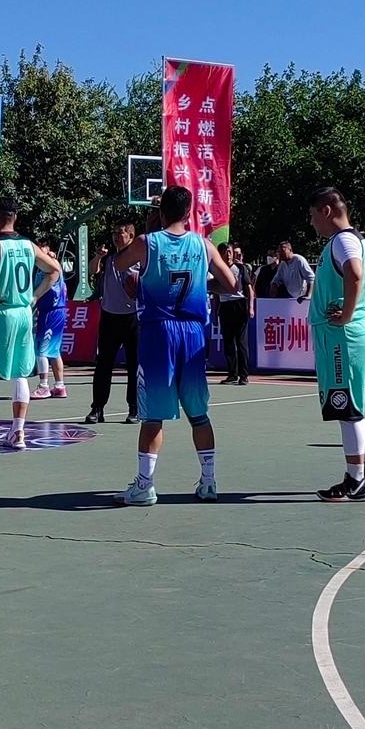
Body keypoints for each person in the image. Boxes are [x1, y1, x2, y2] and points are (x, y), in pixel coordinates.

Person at [109, 184, 236, 504]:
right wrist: (202, 285)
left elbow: (119, 264)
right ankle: (209, 481)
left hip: (159, 332)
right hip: (192, 333)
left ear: (161, 211)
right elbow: (231, 282)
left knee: (153, 415)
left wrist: (150, 227)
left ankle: (145, 485)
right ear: (189, 213)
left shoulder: (147, 242)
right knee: (199, 413)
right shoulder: (203, 244)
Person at [307, 188, 365, 501]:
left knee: (346, 408)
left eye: (313, 215)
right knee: (349, 404)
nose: (312, 222)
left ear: (327, 211)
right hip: (343, 334)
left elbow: (354, 274)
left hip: (342, 337)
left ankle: (355, 479)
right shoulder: (353, 240)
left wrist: (345, 314)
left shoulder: (343, 241)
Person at [0, 196, 61, 449]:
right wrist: (35, 296)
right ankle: (18, 431)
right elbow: (55, 270)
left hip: (2, 313)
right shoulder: (28, 245)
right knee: (21, 373)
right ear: (15, 217)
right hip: (23, 313)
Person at [85, 219, 140, 425]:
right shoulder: (109, 259)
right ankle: (97, 408)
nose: (116, 236)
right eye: (114, 232)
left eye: (121, 233)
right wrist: (98, 256)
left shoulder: (139, 259)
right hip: (110, 316)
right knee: (103, 365)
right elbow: (92, 271)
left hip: (133, 317)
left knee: (134, 365)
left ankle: (134, 408)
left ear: (131, 236)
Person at [213, 242, 253, 385]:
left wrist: (251, 307)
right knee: (228, 342)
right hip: (225, 306)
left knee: (241, 342)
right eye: (224, 252)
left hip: (239, 304)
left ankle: (244, 375)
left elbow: (249, 289)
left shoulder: (240, 268)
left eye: (229, 251)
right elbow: (216, 292)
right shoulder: (218, 270)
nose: (228, 254)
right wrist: (216, 312)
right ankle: (232, 374)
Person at [32, 247, 70, 399]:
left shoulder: (52, 266)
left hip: (52, 312)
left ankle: (43, 386)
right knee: (54, 351)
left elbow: (54, 270)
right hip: (51, 312)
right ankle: (60, 386)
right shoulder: (41, 268)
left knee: (42, 350)